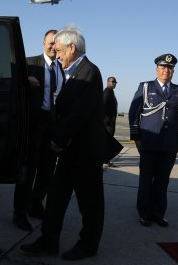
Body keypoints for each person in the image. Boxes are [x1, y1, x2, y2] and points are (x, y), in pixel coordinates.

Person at [20, 27, 105, 261]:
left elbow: (78, 114)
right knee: (56, 198)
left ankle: (88, 245)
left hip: (85, 153)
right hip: (70, 151)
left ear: (72, 48)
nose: (57, 56)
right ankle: (48, 240)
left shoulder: (89, 72)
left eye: (59, 51)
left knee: (90, 203)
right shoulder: (73, 72)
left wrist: (57, 140)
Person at [128, 53, 178, 227]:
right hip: (149, 142)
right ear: (157, 69)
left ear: (173, 71)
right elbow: (134, 113)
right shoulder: (145, 87)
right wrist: (136, 138)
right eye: (163, 67)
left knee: (163, 181)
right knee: (146, 180)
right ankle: (144, 213)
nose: (166, 71)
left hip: (169, 145)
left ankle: (158, 213)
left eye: (169, 68)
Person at [13, 29, 65, 231]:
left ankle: (36, 205)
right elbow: (11, 85)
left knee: (46, 170)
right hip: (34, 124)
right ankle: (19, 212)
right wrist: (24, 82)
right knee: (28, 170)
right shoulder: (28, 63)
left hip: (53, 124)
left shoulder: (62, 68)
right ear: (43, 43)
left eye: (56, 44)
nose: (53, 47)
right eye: (50, 43)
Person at [103, 76, 118, 167]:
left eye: (115, 82)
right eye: (113, 82)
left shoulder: (111, 92)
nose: (114, 83)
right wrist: (105, 120)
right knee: (107, 142)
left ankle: (105, 159)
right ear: (108, 82)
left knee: (108, 141)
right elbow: (102, 105)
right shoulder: (107, 91)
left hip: (110, 122)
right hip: (107, 123)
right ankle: (105, 160)